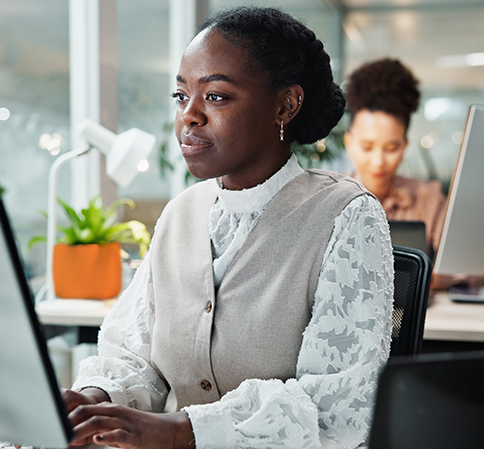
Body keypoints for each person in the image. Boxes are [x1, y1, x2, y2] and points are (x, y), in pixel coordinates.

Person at [63, 7, 394, 449]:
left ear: (286, 104)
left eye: (215, 96)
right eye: (181, 96)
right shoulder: (181, 212)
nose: (189, 116)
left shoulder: (347, 215)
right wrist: (93, 404)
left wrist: (182, 430)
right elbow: (134, 354)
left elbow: (339, 408)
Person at [343, 58, 445, 259]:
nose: (378, 161)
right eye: (367, 147)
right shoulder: (330, 200)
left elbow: (461, 268)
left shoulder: (429, 199)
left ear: (405, 145)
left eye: (391, 148)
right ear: (349, 143)